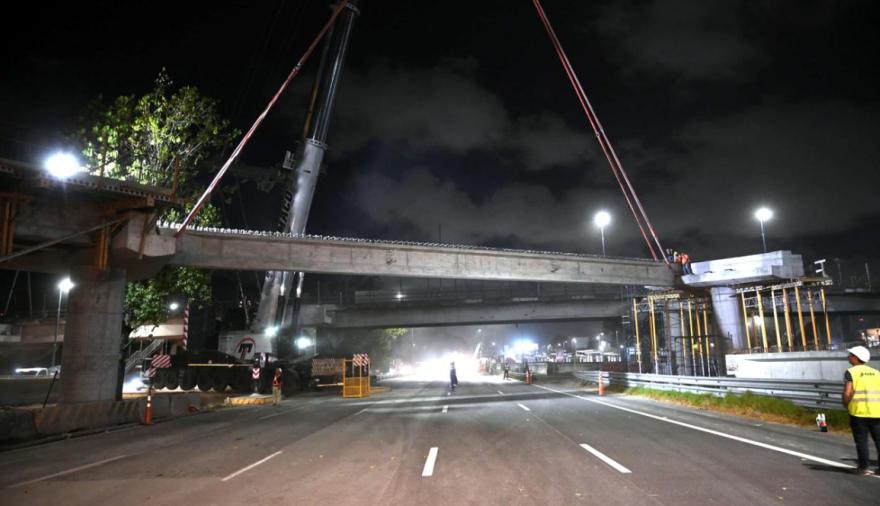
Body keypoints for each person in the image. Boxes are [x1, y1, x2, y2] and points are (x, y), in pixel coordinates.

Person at [842, 345, 880, 475]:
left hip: (859, 413)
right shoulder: (876, 373)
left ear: (856, 358)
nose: (848, 357)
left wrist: (846, 404)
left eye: (850, 355)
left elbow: (847, 393)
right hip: (877, 412)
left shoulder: (851, 372)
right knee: (879, 441)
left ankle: (863, 468)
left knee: (861, 441)